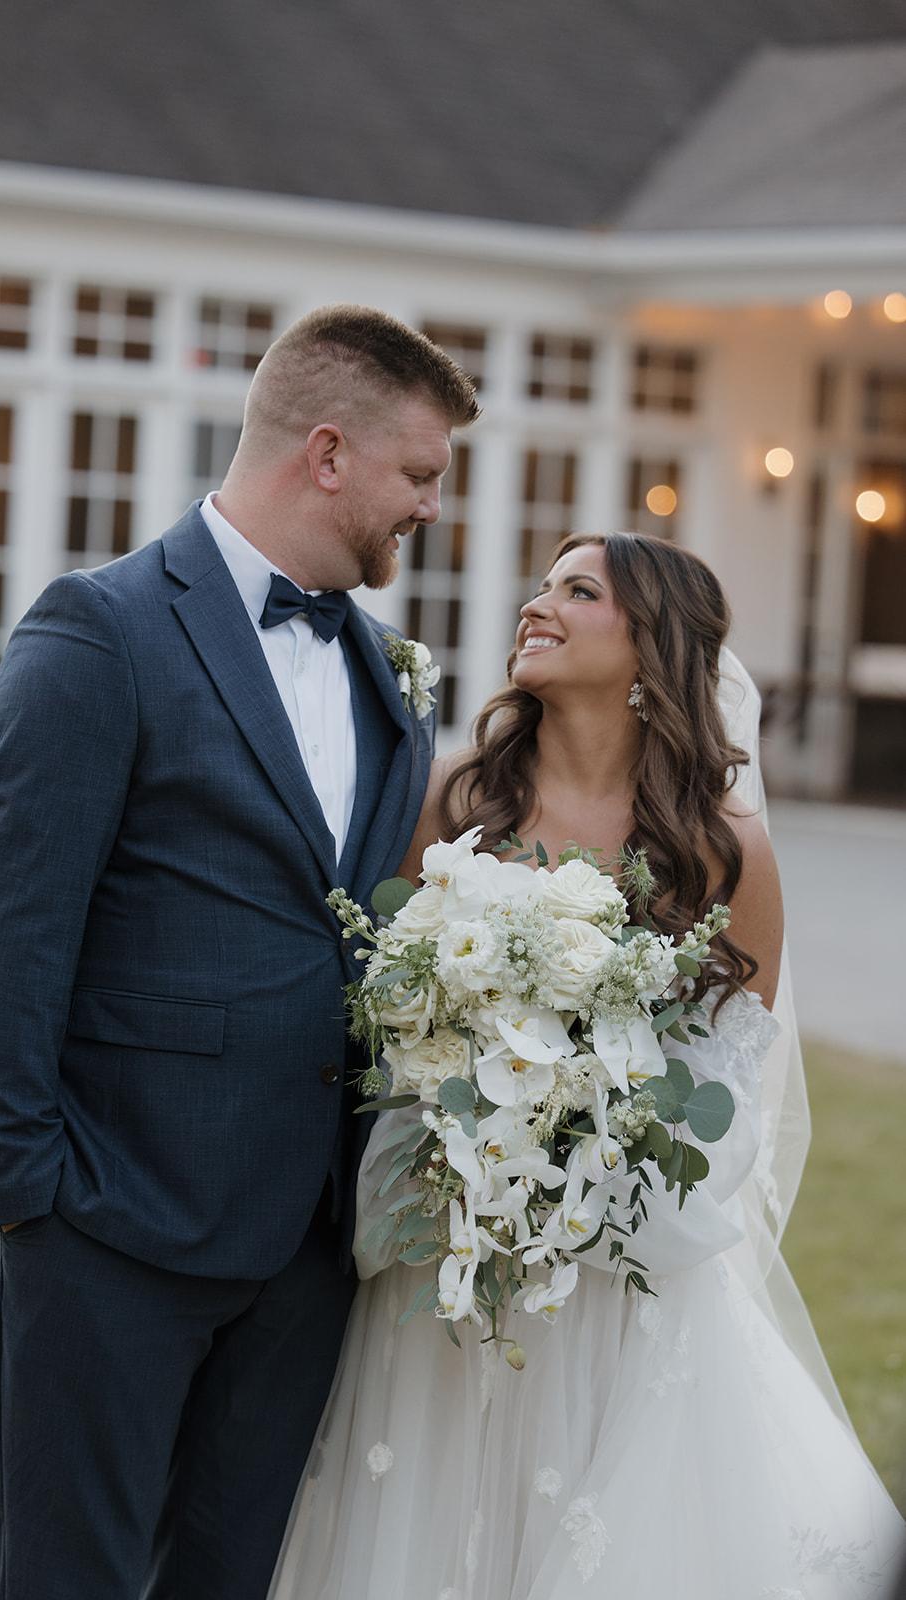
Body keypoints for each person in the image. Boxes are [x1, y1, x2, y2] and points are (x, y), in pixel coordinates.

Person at [0, 304, 479, 1598]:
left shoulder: (389, 677)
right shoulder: (99, 633)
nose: (427, 508)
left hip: (303, 1245)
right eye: (418, 474)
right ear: (328, 453)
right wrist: (34, 1202)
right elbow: (5, 938)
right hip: (109, 1233)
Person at [269, 532, 905, 1599]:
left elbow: (730, 1078)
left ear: (651, 645)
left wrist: (579, 1159)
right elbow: (378, 1013)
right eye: (539, 585)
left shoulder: (718, 847)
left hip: (614, 1272)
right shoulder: (453, 799)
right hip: (445, 1256)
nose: (536, 605)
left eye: (577, 590)